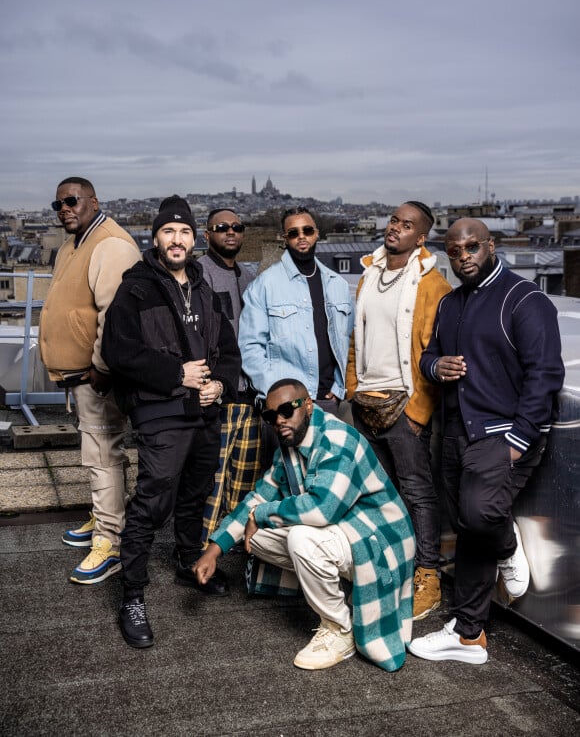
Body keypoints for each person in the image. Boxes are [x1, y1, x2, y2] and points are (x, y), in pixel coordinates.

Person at [408, 217, 564, 664]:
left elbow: (546, 374)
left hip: (503, 434)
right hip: (458, 431)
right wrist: (435, 369)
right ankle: (469, 634)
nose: (463, 258)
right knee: (466, 526)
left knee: (480, 516)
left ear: (490, 246)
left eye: (472, 248)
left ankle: (508, 546)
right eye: (454, 252)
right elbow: (428, 356)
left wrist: (519, 437)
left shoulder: (524, 298)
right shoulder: (452, 303)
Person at [194, 378, 416, 672]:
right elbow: (258, 497)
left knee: (299, 537)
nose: (280, 420)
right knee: (258, 536)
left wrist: (262, 513)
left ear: (308, 405)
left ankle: (339, 630)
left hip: (378, 541)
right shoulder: (290, 448)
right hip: (344, 533)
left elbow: (322, 509)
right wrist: (214, 549)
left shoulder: (338, 440)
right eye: (271, 416)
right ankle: (339, 592)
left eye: (287, 410)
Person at [101, 196, 241, 649]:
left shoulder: (205, 287)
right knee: (152, 500)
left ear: (194, 238)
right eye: (168, 232)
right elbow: (117, 352)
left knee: (195, 492)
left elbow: (229, 351)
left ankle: (186, 562)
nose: (176, 240)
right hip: (161, 410)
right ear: (155, 238)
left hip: (205, 410)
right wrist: (175, 374)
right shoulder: (136, 287)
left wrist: (219, 385)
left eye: (184, 232)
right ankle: (133, 596)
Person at [346, 202, 451, 621]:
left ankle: (429, 576)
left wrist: (417, 413)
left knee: (418, 493)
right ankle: (394, 570)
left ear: (421, 237)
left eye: (407, 226)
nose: (396, 229)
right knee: (380, 495)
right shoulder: (369, 274)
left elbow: (434, 353)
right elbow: (358, 339)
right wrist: (353, 388)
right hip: (366, 402)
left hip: (404, 405)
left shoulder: (433, 284)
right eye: (394, 221)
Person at [39, 177, 141, 584]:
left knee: (100, 452)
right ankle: (107, 516)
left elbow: (114, 317)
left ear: (94, 201)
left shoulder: (110, 245)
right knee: (102, 450)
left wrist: (100, 367)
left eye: (72, 200)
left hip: (96, 374)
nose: (64, 208)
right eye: (58, 203)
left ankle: (110, 540)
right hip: (81, 372)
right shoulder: (76, 240)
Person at [238, 207, 354, 415]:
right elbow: (249, 348)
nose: (301, 237)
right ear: (285, 239)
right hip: (285, 406)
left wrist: (340, 386)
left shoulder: (339, 285)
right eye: (293, 233)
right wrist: (279, 393)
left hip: (328, 401)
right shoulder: (264, 285)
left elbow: (351, 341)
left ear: (317, 233)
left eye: (307, 230)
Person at [197, 208, 262, 542]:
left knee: (244, 479)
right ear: (207, 235)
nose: (231, 232)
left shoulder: (249, 276)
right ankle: (200, 550)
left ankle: (228, 544)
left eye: (237, 227)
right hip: (219, 394)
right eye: (222, 227)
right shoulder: (199, 274)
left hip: (249, 395)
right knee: (213, 479)